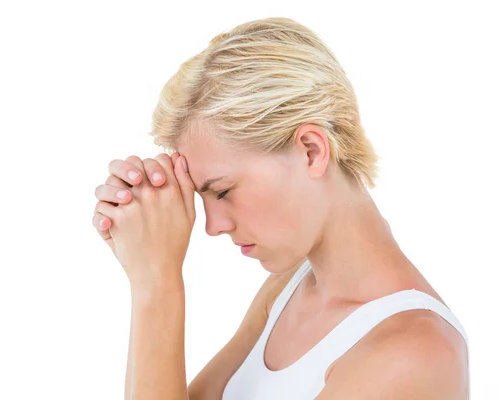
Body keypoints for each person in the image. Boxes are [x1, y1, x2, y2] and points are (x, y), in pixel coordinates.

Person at [92, 17, 469, 399]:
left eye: (222, 192)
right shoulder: (286, 290)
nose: (212, 226)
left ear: (312, 151)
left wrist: (156, 285)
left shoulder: (414, 352)